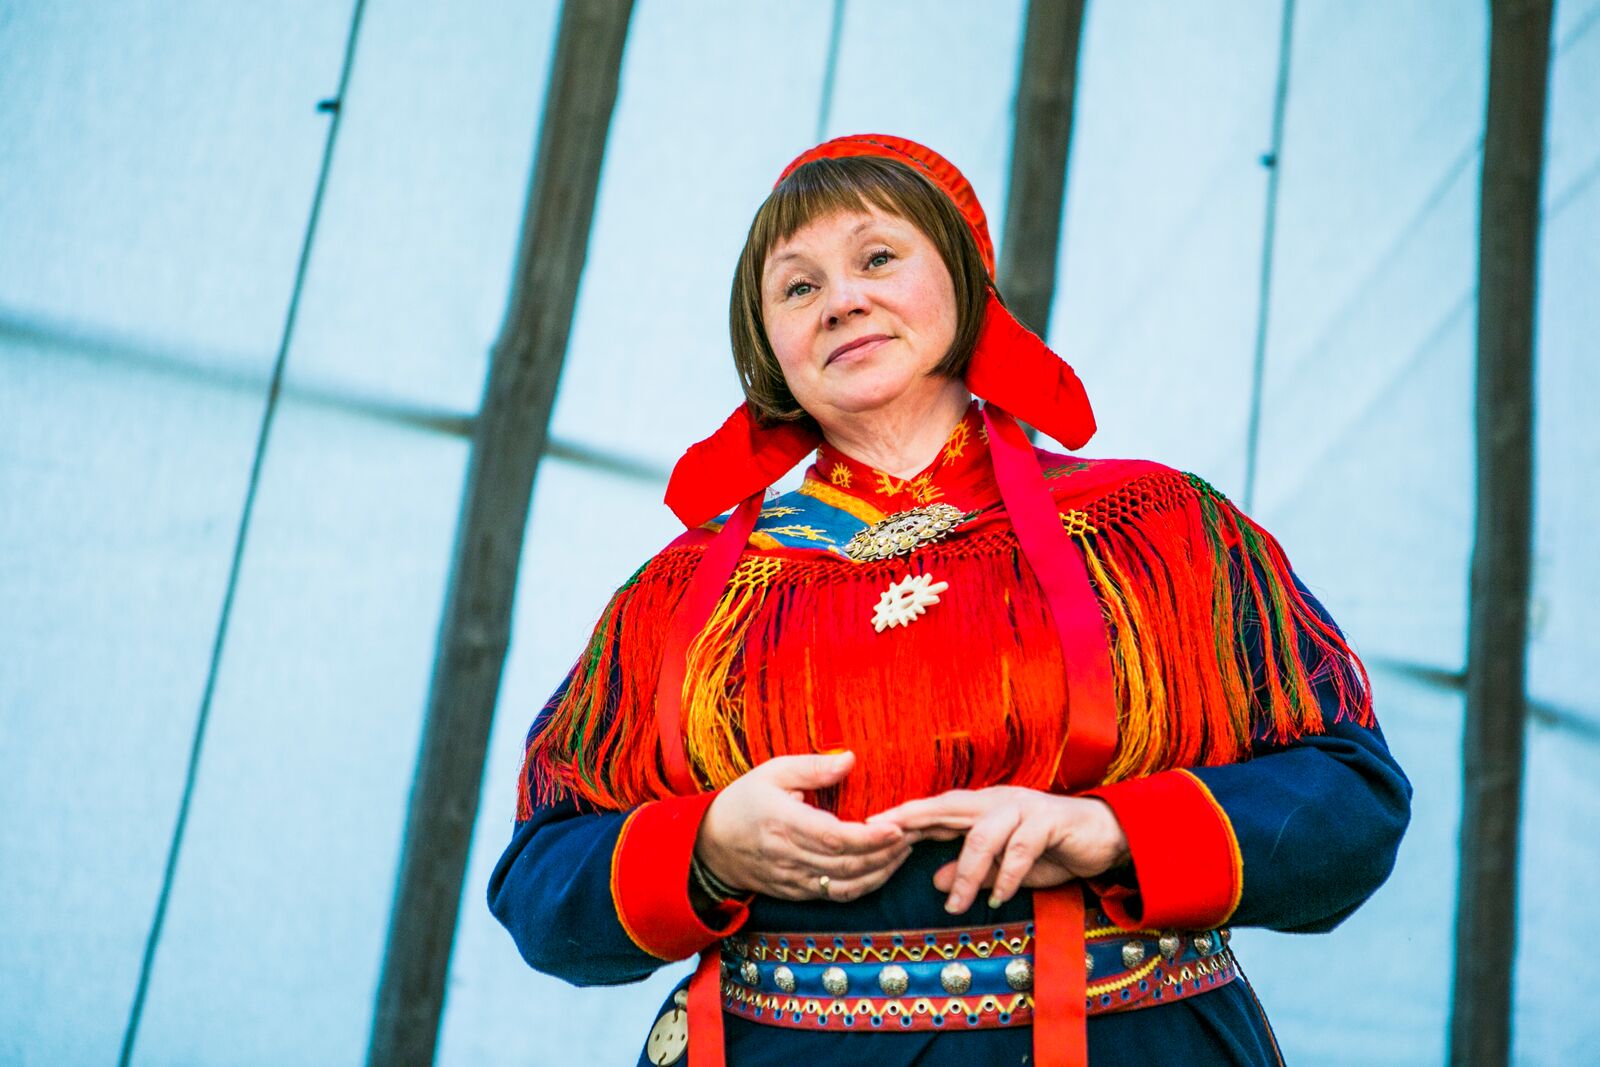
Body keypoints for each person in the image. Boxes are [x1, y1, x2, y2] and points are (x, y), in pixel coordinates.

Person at [489, 134, 1411, 1067]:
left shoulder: (1155, 529)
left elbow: (1351, 801)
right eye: (797, 287)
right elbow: (539, 881)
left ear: (966, 280)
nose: (842, 299)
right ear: (768, 343)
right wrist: (710, 844)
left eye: (877, 257)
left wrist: (1109, 829)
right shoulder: (683, 596)